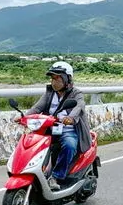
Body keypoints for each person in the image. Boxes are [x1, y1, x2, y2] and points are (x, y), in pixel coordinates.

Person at [14, 61, 91, 190]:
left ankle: (56, 176)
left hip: (67, 129)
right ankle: (30, 171)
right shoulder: (49, 93)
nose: (54, 82)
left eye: (57, 78)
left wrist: (70, 118)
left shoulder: (76, 94)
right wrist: (23, 117)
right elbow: (37, 107)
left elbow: (79, 107)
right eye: (52, 78)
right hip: (49, 128)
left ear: (67, 79)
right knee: (32, 143)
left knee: (69, 145)